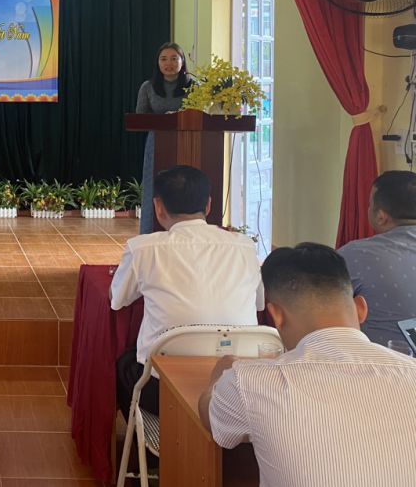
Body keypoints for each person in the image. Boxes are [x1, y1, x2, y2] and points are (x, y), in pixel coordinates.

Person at [200, 243, 416, 487]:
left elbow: (213, 422)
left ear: (277, 315)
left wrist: (218, 377)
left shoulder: (249, 382)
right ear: (360, 309)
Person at [110, 165, 263, 415]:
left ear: (158, 207)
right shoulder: (245, 247)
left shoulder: (144, 249)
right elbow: (259, 304)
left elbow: (117, 300)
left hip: (166, 390)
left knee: (125, 365)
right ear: (209, 205)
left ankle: (152, 439)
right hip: (238, 387)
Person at [339, 170, 416, 346]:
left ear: (381, 217)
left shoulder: (355, 255)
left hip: (379, 361)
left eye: (369, 204)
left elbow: (315, 305)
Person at [135, 42, 193, 233]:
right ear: (158, 63)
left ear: (182, 62)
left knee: (184, 186)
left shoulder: (194, 86)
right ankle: (150, 231)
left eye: (174, 58)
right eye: (164, 59)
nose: (169, 63)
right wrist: (163, 119)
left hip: (188, 143)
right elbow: (140, 117)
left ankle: (184, 232)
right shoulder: (148, 87)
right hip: (157, 143)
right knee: (155, 186)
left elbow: (200, 113)